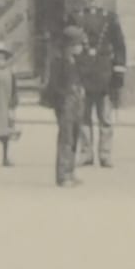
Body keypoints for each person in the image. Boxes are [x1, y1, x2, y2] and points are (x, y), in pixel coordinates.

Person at [69, 0, 128, 169]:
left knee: (106, 118)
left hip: (104, 73)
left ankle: (105, 154)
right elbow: (68, 44)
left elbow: (119, 46)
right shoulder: (75, 17)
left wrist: (119, 71)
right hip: (83, 72)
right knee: (83, 116)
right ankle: (86, 153)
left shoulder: (109, 18)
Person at [40, 25, 89, 187]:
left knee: (74, 136)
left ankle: (71, 171)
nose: (81, 48)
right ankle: (63, 175)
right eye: (77, 45)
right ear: (69, 45)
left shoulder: (76, 61)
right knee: (66, 138)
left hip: (77, 100)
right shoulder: (59, 61)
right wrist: (65, 96)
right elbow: (54, 85)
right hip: (65, 102)